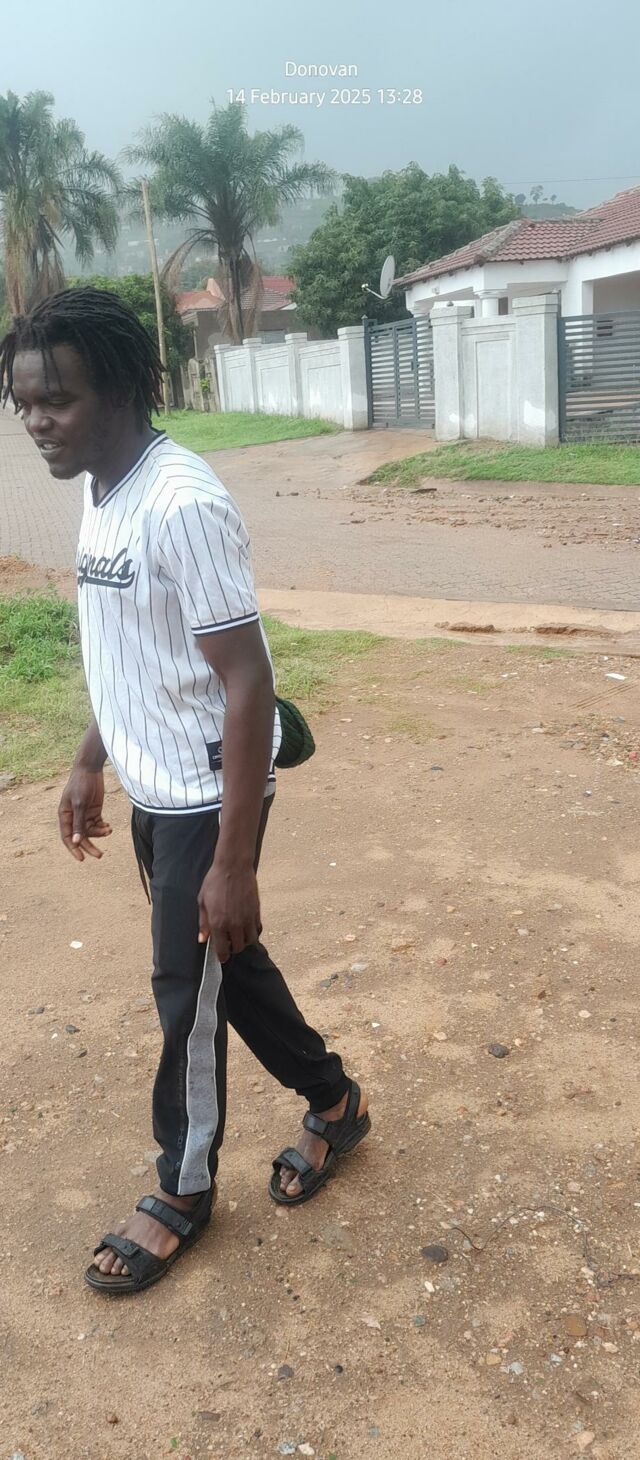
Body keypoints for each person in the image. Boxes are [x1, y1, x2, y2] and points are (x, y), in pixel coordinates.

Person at [0, 287, 370, 1295]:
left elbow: (246, 680)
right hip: (155, 788)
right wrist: (91, 756)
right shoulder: (100, 486)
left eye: (58, 400)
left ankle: (184, 1186)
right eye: (24, 402)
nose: (37, 421)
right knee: (221, 969)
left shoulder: (182, 503)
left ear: (119, 387)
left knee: (185, 990)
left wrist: (233, 862)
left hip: (208, 798)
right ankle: (335, 1101)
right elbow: (131, 650)